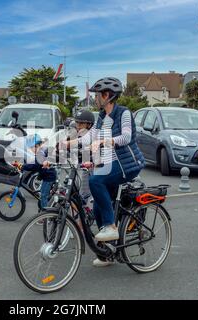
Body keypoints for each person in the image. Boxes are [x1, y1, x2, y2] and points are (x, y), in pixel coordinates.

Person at [63, 77, 145, 267]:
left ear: (107, 96)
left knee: (96, 181)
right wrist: (66, 144)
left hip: (129, 164)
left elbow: (126, 137)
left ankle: (110, 227)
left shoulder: (123, 113)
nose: (95, 99)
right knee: (99, 207)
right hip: (111, 165)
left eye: (97, 95)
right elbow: (89, 137)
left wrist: (104, 142)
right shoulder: (101, 117)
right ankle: (107, 252)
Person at [13, 134, 57, 209]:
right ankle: (43, 209)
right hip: (46, 176)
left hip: (49, 178)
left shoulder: (41, 153)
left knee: (43, 195)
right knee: (42, 194)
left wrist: (21, 166)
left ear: (38, 145)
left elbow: (34, 166)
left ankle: (45, 215)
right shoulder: (41, 151)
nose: (31, 149)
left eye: (32, 147)